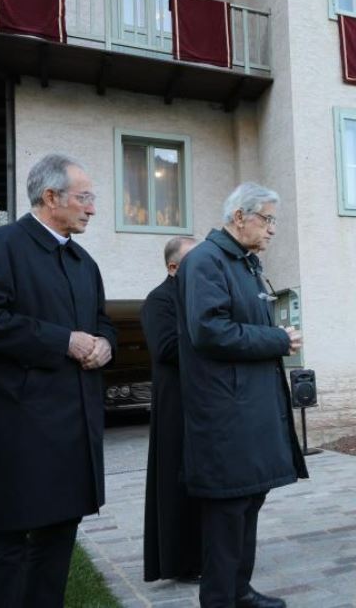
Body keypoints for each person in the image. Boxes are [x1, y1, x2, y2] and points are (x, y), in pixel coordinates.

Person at [0, 153, 116, 607]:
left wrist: (105, 344)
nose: (92, 208)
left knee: (59, 535)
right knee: (7, 542)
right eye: (84, 198)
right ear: (50, 197)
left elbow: (103, 323)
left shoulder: (84, 262)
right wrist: (62, 341)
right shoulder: (1, 246)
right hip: (18, 429)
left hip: (72, 429)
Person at [176, 182, 308, 608]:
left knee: (250, 499)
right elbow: (210, 330)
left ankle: (239, 590)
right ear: (239, 217)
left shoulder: (246, 264)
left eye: (274, 221)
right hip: (225, 412)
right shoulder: (205, 261)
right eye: (266, 220)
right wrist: (275, 339)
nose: (272, 230)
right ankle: (219, 598)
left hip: (250, 407)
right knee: (228, 510)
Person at [142, 236, 199, 582]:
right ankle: (180, 562)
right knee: (177, 486)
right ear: (173, 267)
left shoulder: (200, 296)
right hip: (176, 406)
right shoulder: (158, 300)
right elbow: (166, 348)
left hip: (204, 403)